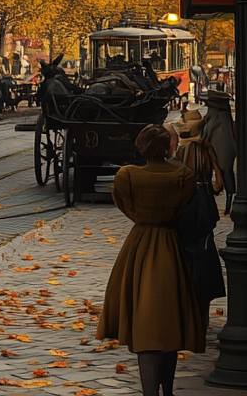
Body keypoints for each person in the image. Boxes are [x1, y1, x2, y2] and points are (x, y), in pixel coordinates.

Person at [97, 123, 204, 396]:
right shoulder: (183, 176)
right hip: (170, 246)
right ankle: (166, 390)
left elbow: (125, 205)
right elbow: (182, 206)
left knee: (145, 322)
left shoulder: (127, 176)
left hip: (139, 247)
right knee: (168, 323)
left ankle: (149, 392)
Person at [172, 110, 225, 329]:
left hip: (186, 207)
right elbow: (219, 184)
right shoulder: (206, 150)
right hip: (205, 208)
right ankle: (202, 316)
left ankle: (186, 314)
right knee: (205, 257)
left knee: (185, 257)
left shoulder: (179, 154)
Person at [202, 89, 236, 214]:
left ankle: (229, 200)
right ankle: (228, 198)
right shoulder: (221, 114)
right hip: (220, 147)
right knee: (225, 172)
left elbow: (209, 130)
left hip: (222, 148)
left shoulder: (218, 115)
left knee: (224, 171)